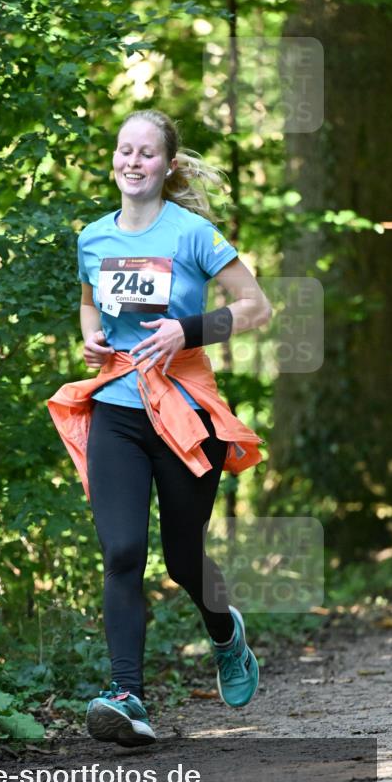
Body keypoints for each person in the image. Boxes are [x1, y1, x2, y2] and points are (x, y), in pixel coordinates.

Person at [49, 109, 272, 748]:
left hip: (182, 410)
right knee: (122, 552)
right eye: (125, 150)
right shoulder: (93, 237)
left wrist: (189, 330)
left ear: (167, 164)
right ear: (114, 159)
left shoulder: (193, 234)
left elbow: (257, 307)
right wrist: (90, 338)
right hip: (117, 409)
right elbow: (92, 302)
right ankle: (127, 696)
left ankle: (225, 630)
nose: (134, 162)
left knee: (181, 558)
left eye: (148, 153)